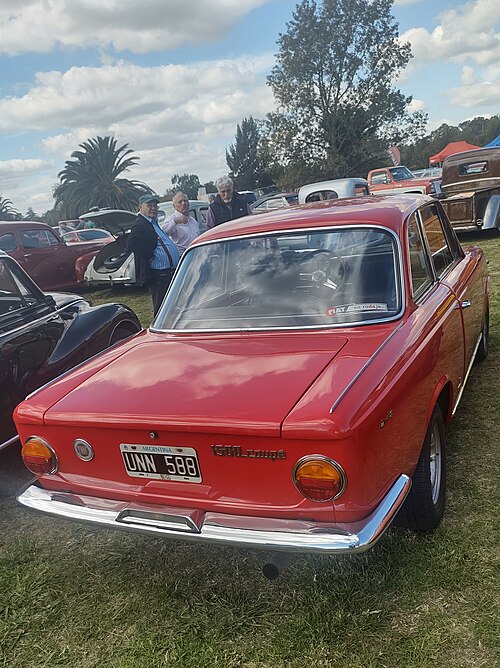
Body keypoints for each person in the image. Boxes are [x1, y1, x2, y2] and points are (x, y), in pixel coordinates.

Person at [128, 194, 180, 316]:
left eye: (155, 205)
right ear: (140, 207)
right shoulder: (140, 224)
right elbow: (132, 243)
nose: (153, 208)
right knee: (162, 306)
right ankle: (160, 329)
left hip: (167, 271)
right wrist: (149, 255)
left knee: (171, 303)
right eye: (149, 205)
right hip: (159, 273)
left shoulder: (152, 222)